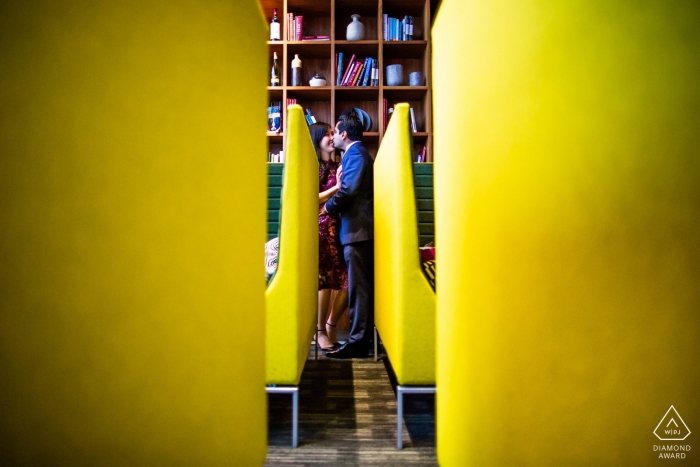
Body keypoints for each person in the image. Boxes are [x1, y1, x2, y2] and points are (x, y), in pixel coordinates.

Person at [321, 112, 374, 359]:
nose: (333, 136)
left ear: (344, 134)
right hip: (355, 231)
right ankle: (358, 340)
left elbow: (349, 190)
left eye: (335, 131)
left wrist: (328, 207)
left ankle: (357, 343)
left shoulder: (355, 154)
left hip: (357, 231)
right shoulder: (357, 154)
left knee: (358, 290)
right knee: (357, 288)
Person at [309, 123, 349, 351]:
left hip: (342, 228)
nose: (332, 137)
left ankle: (330, 325)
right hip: (322, 230)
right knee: (324, 281)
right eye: (327, 134)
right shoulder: (314, 167)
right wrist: (337, 189)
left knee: (347, 281)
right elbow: (312, 198)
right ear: (317, 139)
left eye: (333, 133)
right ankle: (320, 332)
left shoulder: (339, 165)